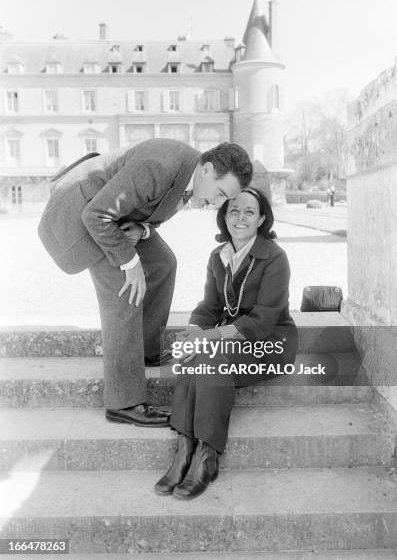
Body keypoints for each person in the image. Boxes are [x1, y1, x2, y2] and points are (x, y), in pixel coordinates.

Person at [38, 138, 253, 428]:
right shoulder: (159, 165)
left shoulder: (191, 172)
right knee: (124, 287)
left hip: (116, 218)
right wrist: (130, 262)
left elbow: (150, 209)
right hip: (80, 216)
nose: (218, 204)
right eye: (220, 193)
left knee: (163, 263)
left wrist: (142, 230)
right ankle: (123, 402)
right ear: (207, 170)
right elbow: (97, 214)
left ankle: (146, 350)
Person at [155, 187, 298, 499]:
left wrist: (209, 337)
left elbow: (262, 320)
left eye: (249, 211)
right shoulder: (218, 256)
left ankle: (207, 456)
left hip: (268, 344)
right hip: (230, 341)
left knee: (210, 355)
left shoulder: (275, 257)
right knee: (194, 354)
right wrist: (193, 331)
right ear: (224, 216)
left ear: (262, 218)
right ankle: (185, 449)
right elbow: (209, 306)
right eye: (234, 210)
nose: (241, 217)